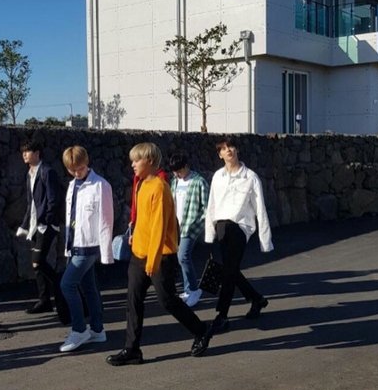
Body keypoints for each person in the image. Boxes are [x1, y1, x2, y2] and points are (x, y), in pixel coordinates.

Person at [106, 143, 211, 366]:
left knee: (168, 301)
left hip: (160, 257)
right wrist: (134, 236)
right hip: (139, 254)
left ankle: (201, 330)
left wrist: (152, 262)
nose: (133, 164)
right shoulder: (141, 184)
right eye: (132, 160)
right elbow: (143, 220)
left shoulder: (160, 188)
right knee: (133, 300)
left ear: (150, 161)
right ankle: (132, 349)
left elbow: (159, 228)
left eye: (137, 160)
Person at [205, 137, 273, 333]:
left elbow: (260, 208)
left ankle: (222, 315)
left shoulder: (250, 177)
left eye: (231, 147)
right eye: (224, 148)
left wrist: (265, 240)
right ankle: (256, 299)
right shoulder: (218, 176)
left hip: (240, 227)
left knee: (229, 270)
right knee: (231, 269)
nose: (229, 150)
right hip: (221, 227)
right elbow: (212, 205)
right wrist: (209, 233)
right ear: (220, 154)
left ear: (237, 150)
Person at [59, 145, 114, 353]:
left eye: (80, 168)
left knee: (67, 285)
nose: (76, 173)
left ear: (87, 162)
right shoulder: (72, 185)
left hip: (89, 245)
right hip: (75, 243)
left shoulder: (101, 185)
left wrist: (106, 254)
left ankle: (79, 329)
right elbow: (71, 217)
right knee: (88, 287)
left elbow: (106, 220)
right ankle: (98, 330)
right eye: (72, 170)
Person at [16, 140, 68, 322]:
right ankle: (44, 300)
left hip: (46, 225)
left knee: (38, 262)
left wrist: (46, 220)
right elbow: (30, 203)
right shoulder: (29, 174)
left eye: (28, 151)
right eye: (23, 152)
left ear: (37, 153)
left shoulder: (47, 172)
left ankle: (62, 290)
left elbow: (54, 199)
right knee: (37, 264)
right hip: (34, 225)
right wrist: (25, 224)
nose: (24, 154)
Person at [169, 152, 209, 307]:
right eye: (174, 172)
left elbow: (206, 207)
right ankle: (188, 289)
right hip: (176, 225)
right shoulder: (175, 182)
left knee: (183, 256)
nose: (176, 174)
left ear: (186, 166)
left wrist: (197, 223)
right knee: (181, 258)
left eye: (179, 171)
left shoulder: (199, 182)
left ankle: (193, 289)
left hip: (190, 226)